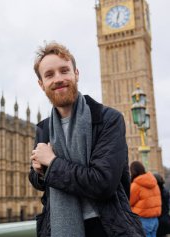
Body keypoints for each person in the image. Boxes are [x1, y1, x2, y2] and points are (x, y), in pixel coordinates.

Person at [28, 42, 145, 237]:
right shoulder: (44, 127)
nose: (58, 79)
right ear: (41, 84)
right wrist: (38, 172)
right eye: (49, 74)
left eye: (64, 71)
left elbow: (103, 183)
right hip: (57, 228)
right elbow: (39, 182)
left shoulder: (107, 119)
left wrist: (52, 162)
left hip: (108, 228)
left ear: (76, 74)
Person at [129, 161, 162, 237]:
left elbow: (129, 202)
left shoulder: (136, 185)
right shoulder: (154, 183)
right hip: (155, 219)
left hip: (143, 219)